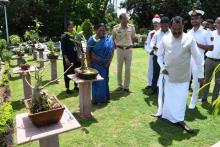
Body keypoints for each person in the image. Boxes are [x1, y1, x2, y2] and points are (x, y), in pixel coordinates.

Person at [157, 16, 204, 133]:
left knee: (181, 100)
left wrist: (201, 75)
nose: (177, 32)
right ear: (170, 27)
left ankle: (180, 120)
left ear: (183, 26)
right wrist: (163, 67)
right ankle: (167, 117)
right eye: (174, 30)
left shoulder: (190, 39)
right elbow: (159, 55)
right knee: (168, 98)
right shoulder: (165, 39)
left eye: (179, 30)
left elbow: (198, 58)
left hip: (183, 76)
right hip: (168, 75)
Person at [188, 9, 213, 108]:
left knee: (196, 81)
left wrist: (197, 45)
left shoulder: (205, 33)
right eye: (192, 19)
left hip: (198, 60)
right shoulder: (189, 32)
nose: (194, 21)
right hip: (187, 59)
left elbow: (211, 47)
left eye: (196, 19)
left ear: (201, 19)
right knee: (186, 80)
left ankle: (193, 102)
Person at [87, 23, 114, 105]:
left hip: (106, 65)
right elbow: (88, 52)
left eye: (104, 30)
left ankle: (105, 98)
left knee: (105, 81)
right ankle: (97, 100)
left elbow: (112, 50)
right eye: (100, 30)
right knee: (97, 82)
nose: (102, 31)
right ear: (96, 31)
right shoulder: (92, 39)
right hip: (96, 65)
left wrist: (108, 62)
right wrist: (89, 65)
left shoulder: (108, 39)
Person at [112, 13, 136, 93]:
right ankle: (120, 85)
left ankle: (126, 87)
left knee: (128, 69)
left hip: (129, 49)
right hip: (120, 49)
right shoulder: (115, 28)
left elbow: (133, 37)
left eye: (127, 18)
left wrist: (131, 45)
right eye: (124, 19)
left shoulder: (131, 27)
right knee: (119, 68)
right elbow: (112, 39)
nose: (126, 20)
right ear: (120, 19)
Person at [200, 17, 220, 103]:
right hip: (209, 60)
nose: (217, 24)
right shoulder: (211, 33)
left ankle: (214, 100)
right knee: (206, 80)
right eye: (216, 22)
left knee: (218, 82)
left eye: (219, 22)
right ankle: (204, 98)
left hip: (219, 62)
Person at [150, 16, 171, 95]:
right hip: (157, 56)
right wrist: (153, 47)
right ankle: (154, 89)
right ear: (160, 24)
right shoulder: (157, 33)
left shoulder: (171, 33)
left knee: (167, 73)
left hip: (168, 57)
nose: (164, 27)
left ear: (168, 25)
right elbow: (152, 43)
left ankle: (166, 89)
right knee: (156, 73)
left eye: (165, 26)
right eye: (162, 25)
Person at [61, 21, 81, 94]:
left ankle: (76, 86)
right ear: (67, 28)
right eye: (70, 27)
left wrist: (81, 54)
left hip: (76, 58)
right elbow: (63, 49)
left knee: (77, 72)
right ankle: (67, 88)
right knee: (68, 73)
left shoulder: (77, 36)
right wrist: (66, 59)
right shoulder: (64, 37)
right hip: (68, 59)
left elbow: (79, 46)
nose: (71, 28)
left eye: (72, 27)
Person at [144, 14, 161, 89]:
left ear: (159, 24)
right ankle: (150, 83)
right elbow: (147, 43)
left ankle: (158, 84)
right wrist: (149, 50)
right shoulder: (151, 33)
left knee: (160, 69)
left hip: (160, 54)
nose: (155, 25)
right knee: (150, 68)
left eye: (157, 23)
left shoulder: (163, 32)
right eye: (154, 24)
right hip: (152, 53)